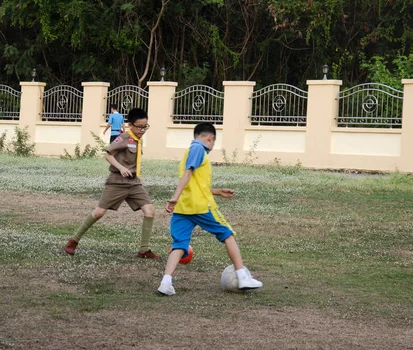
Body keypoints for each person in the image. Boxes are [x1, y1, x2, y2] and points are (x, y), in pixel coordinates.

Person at [157, 122, 263, 296]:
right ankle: (243, 276)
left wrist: (217, 192)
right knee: (227, 234)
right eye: (213, 143)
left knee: (179, 245)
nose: (212, 146)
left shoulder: (189, 151)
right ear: (210, 138)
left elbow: (195, 183)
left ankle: (166, 282)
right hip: (200, 206)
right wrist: (174, 197)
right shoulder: (199, 149)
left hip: (184, 208)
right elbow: (188, 174)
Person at [64, 108, 160, 259]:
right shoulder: (124, 138)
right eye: (139, 127)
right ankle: (73, 241)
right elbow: (108, 155)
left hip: (134, 182)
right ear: (130, 125)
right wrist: (121, 168)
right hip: (117, 182)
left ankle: (144, 250)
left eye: (145, 127)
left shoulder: (138, 140)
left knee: (150, 210)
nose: (142, 130)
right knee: (99, 212)